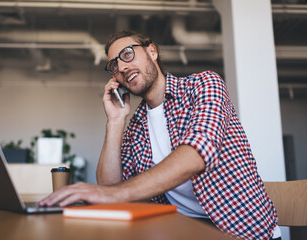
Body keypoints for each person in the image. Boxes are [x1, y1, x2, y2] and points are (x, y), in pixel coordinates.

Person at [40, 30, 281, 240]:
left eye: (127, 54)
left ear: (152, 51)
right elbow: (109, 187)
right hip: (183, 229)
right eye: (114, 65)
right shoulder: (136, 126)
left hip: (242, 231)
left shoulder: (204, 85)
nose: (122, 67)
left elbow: (196, 155)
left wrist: (114, 193)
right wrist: (115, 121)